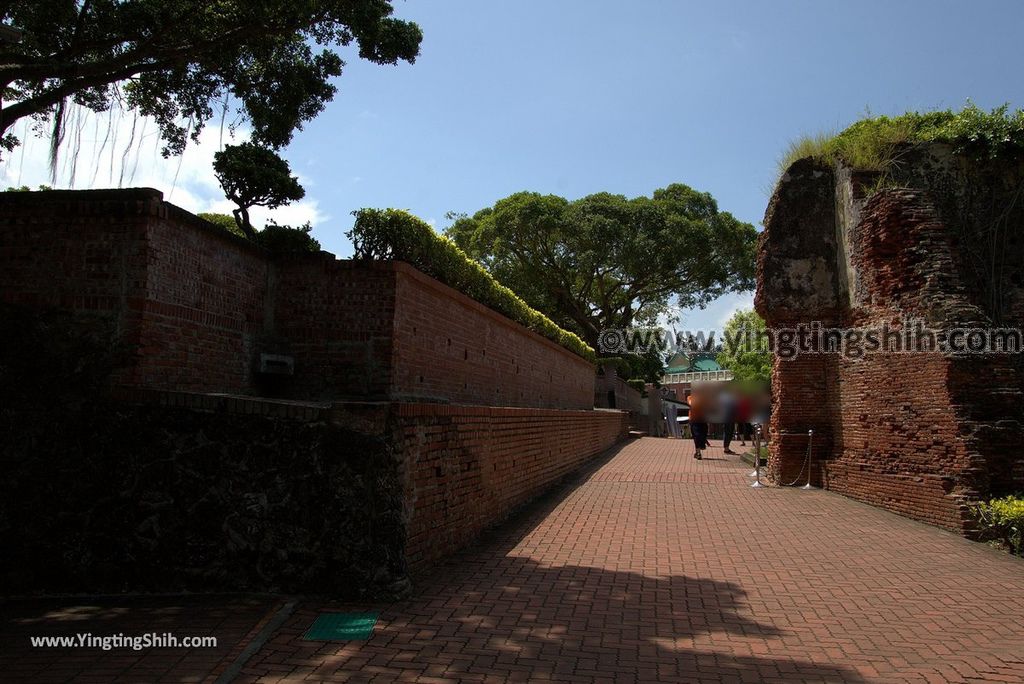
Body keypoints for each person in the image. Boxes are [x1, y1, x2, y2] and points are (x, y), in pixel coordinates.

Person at [687, 388, 709, 460]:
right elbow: (692, 404)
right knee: (696, 435)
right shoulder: (690, 397)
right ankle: (698, 452)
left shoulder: (704, 398)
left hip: (702, 419)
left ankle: (702, 445)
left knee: (704, 433)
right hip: (694, 419)